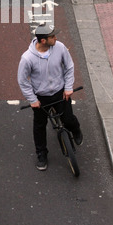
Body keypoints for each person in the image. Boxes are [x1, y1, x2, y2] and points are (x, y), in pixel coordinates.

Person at [17, 23, 83, 171]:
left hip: (60, 92)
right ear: (43, 41)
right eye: (52, 36)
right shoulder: (27, 58)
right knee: (39, 126)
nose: (56, 38)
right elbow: (22, 81)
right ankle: (41, 154)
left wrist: (68, 87)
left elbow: (69, 67)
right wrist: (33, 100)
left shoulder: (59, 47)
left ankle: (76, 128)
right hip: (41, 97)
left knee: (68, 119)